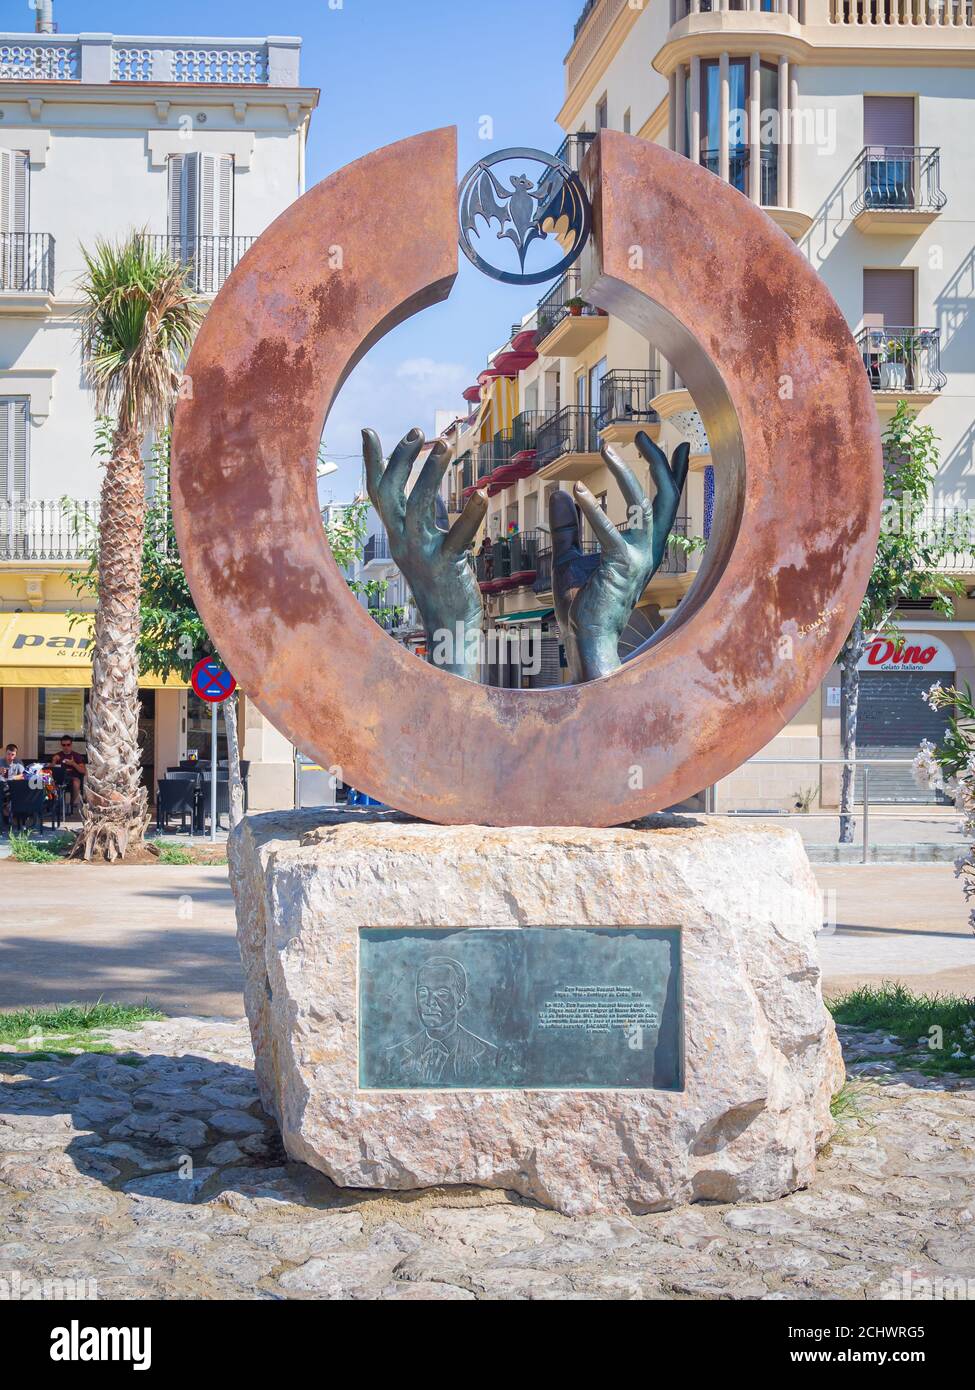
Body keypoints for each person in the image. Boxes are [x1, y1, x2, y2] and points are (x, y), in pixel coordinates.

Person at [51, 735, 86, 816]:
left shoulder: (76, 756)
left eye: (68, 745)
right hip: (59, 779)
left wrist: (73, 764)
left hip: (72, 778)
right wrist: (53, 761)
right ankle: (54, 805)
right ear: (61, 745)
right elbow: (50, 769)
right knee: (49, 782)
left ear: (71, 744)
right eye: (64, 745)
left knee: (76, 782)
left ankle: (72, 804)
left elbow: (83, 771)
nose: (66, 747)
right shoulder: (57, 755)